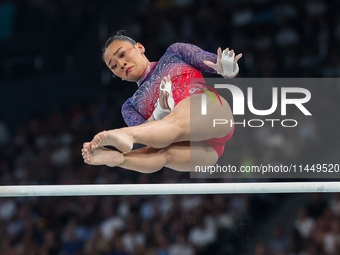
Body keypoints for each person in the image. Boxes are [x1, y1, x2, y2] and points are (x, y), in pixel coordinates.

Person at [82, 30, 242, 173]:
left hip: (213, 114)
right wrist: (159, 113)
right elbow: (151, 140)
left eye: (122, 54)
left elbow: (214, 63)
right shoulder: (130, 107)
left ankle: (124, 134)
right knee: (162, 153)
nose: (121, 64)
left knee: (176, 119)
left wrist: (228, 69)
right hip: (206, 150)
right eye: (114, 66)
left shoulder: (175, 53)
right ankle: (120, 159)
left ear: (140, 47)